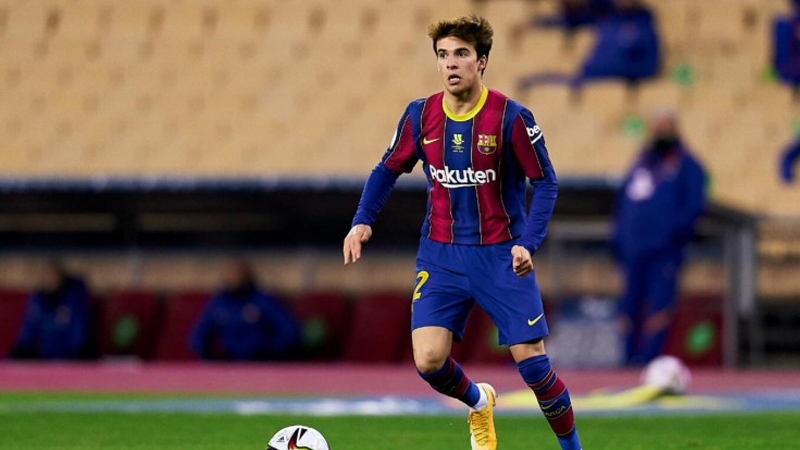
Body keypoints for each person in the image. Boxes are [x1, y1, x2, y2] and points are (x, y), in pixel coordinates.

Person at [343, 15, 583, 450]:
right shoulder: (420, 115)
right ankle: (479, 402)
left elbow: (546, 182)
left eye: (461, 54)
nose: (450, 63)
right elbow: (387, 168)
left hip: (501, 255)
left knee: (533, 367)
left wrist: (528, 243)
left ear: (482, 61)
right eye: (443, 55)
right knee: (429, 361)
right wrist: (363, 219)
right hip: (441, 254)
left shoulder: (511, 117)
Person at [611, 109, 707, 366]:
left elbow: (694, 206)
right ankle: (627, 358)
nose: (659, 132)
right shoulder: (641, 162)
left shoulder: (687, 165)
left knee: (659, 304)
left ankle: (650, 359)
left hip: (665, 250)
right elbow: (624, 202)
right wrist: (619, 237)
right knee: (629, 304)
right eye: (656, 127)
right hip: (633, 249)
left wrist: (672, 233)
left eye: (664, 127)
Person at [518, 0, 660, 91]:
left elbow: (649, 67)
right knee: (537, 84)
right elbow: (570, 21)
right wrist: (536, 24)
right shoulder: (607, 17)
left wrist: (617, 73)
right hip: (587, 77)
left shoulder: (645, 29)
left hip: (608, 84)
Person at [190, 259, 300, 361]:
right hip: (229, 364)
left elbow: (289, 332)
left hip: (261, 363)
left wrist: (270, 351)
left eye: (236, 273)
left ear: (246, 275)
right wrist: (215, 357)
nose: (232, 278)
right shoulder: (219, 304)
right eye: (228, 274)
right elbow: (198, 338)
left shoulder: (263, 301)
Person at [10, 261, 93, 360]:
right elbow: (28, 331)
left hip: (70, 356)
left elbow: (78, 333)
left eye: (53, 275)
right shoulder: (37, 301)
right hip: (42, 357)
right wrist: (22, 349)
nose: (49, 279)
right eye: (46, 275)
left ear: (61, 277)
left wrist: (75, 353)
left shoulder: (74, 300)